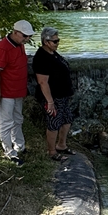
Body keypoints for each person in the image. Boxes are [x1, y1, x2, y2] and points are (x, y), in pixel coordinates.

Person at [0, 20, 34, 165]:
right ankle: (9, 153)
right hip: (6, 93)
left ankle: (20, 146)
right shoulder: (3, 48)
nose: (27, 39)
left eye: (29, 36)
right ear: (15, 32)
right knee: (6, 123)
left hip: (18, 91)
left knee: (18, 119)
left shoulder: (19, 44)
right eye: (24, 36)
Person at [32, 26, 75, 162]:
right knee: (53, 124)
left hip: (63, 96)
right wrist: (49, 102)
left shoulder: (52, 53)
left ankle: (61, 145)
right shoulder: (41, 57)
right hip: (52, 97)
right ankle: (52, 151)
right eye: (55, 41)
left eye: (58, 40)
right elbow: (43, 82)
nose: (57, 43)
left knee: (67, 120)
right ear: (46, 41)